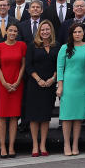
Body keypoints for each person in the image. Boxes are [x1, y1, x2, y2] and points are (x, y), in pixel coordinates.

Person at [23, 20, 58, 157]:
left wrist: (52, 79)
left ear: (51, 31)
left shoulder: (57, 46)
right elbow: (28, 66)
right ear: (39, 31)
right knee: (34, 117)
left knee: (45, 117)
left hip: (49, 86)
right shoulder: (32, 46)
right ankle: (35, 145)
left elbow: (59, 65)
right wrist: (38, 79)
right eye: (42, 30)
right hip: (35, 85)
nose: (45, 32)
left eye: (47, 29)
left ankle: (43, 144)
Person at [57, 23, 85, 156]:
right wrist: (60, 86)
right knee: (67, 117)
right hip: (68, 86)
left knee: (78, 117)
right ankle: (66, 143)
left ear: (83, 33)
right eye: (75, 32)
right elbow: (60, 68)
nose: (77, 34)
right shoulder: (64, 48)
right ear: (71, 34)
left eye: (79, 32)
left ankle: (75, 143)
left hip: (83, 85)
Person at [0, 22, 25, 158]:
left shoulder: (22, 45)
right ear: (6, 31)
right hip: (2, 85)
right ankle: (2, 146)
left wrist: (17, 81)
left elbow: (23, 65)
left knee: (14, 117)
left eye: (15, 31)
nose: (12, 33)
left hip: (17, 84)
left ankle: (11, 146)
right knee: (2, 117)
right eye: (10, 30)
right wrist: (5, 83)